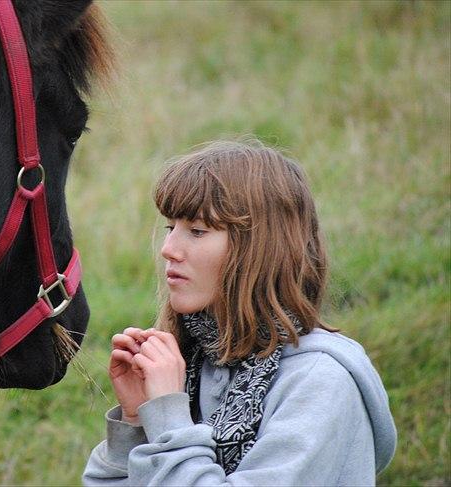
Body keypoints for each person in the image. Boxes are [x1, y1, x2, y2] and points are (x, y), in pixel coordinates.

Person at [82, 140, 396, 486]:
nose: (168, 249)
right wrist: (137, 422)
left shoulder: (319, 382)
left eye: (197, 231)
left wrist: (169, 416)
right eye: (171, 228)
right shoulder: (193, 362)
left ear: (259, 249)